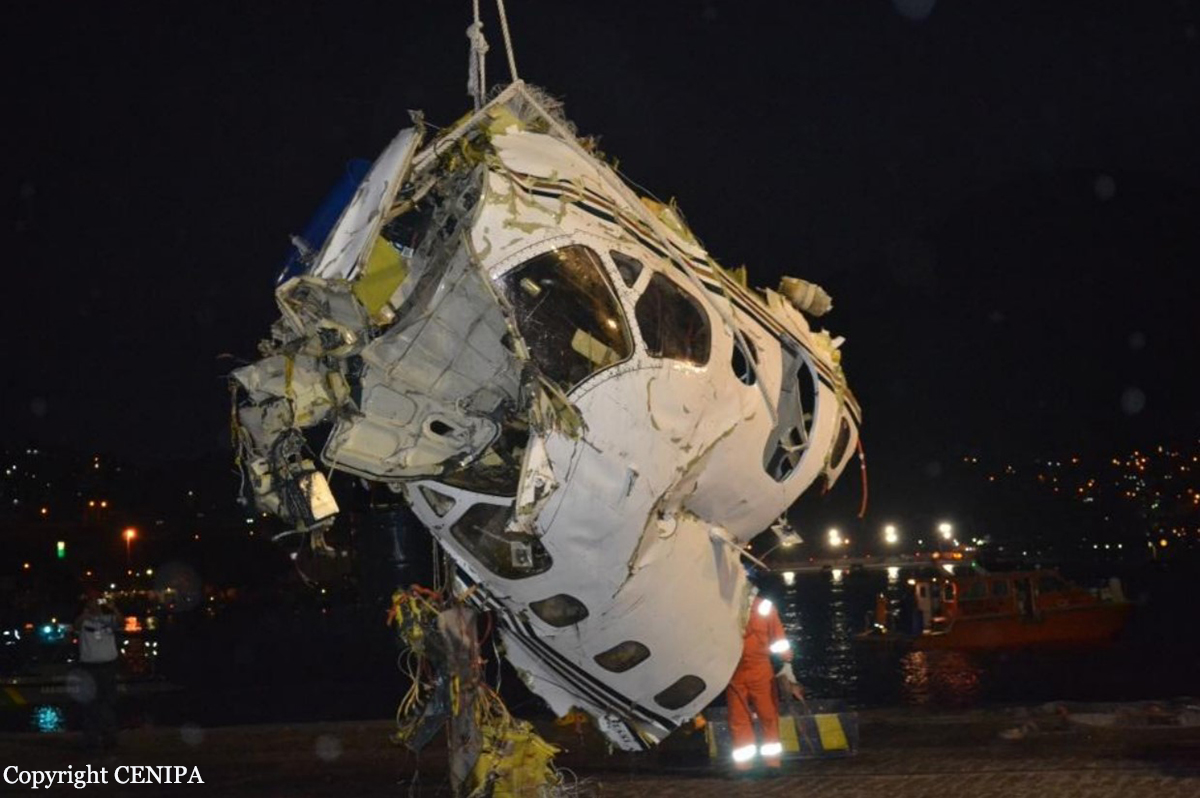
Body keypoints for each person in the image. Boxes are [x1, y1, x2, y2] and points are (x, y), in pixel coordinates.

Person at [726, 592, 803, 773]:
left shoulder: (727, 606)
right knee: (750, 718)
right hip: (742, 671)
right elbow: (779, 639)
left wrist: (786, 661)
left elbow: (778, 638)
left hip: (745, 670)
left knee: (759, 717)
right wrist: (786, 661)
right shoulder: (762, 606)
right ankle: (752, 765)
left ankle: (766, 764)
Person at [74, 595, 122, 750]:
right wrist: (85, 613)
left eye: (97, 602)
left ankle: (110, 738)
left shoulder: (109, 619)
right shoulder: (84, 621)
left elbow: (121, 622)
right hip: (89, 668)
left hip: (108, 666)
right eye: (92, 602)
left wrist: (113, 608)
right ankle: (91, 740)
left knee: (107, 702)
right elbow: (76, 626)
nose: (95, 605)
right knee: (90, 704)